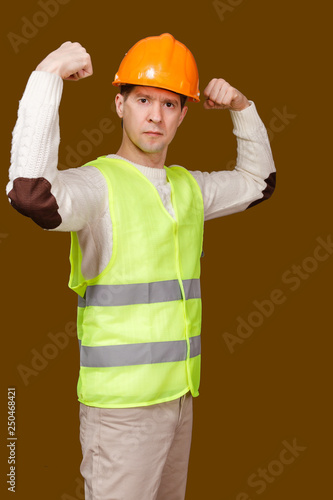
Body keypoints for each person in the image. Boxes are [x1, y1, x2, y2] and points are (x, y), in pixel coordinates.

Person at [6, 33, 276, 500]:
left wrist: (242, 106)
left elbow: (259, 182)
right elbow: (29, 193)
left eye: (170, 104)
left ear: (183, 115)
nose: (155, 115)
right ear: (119, 105)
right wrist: (47, 76)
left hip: (179, 402)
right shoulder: (97, 187)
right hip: (122, 414)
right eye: (144, 99)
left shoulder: (188, 189)